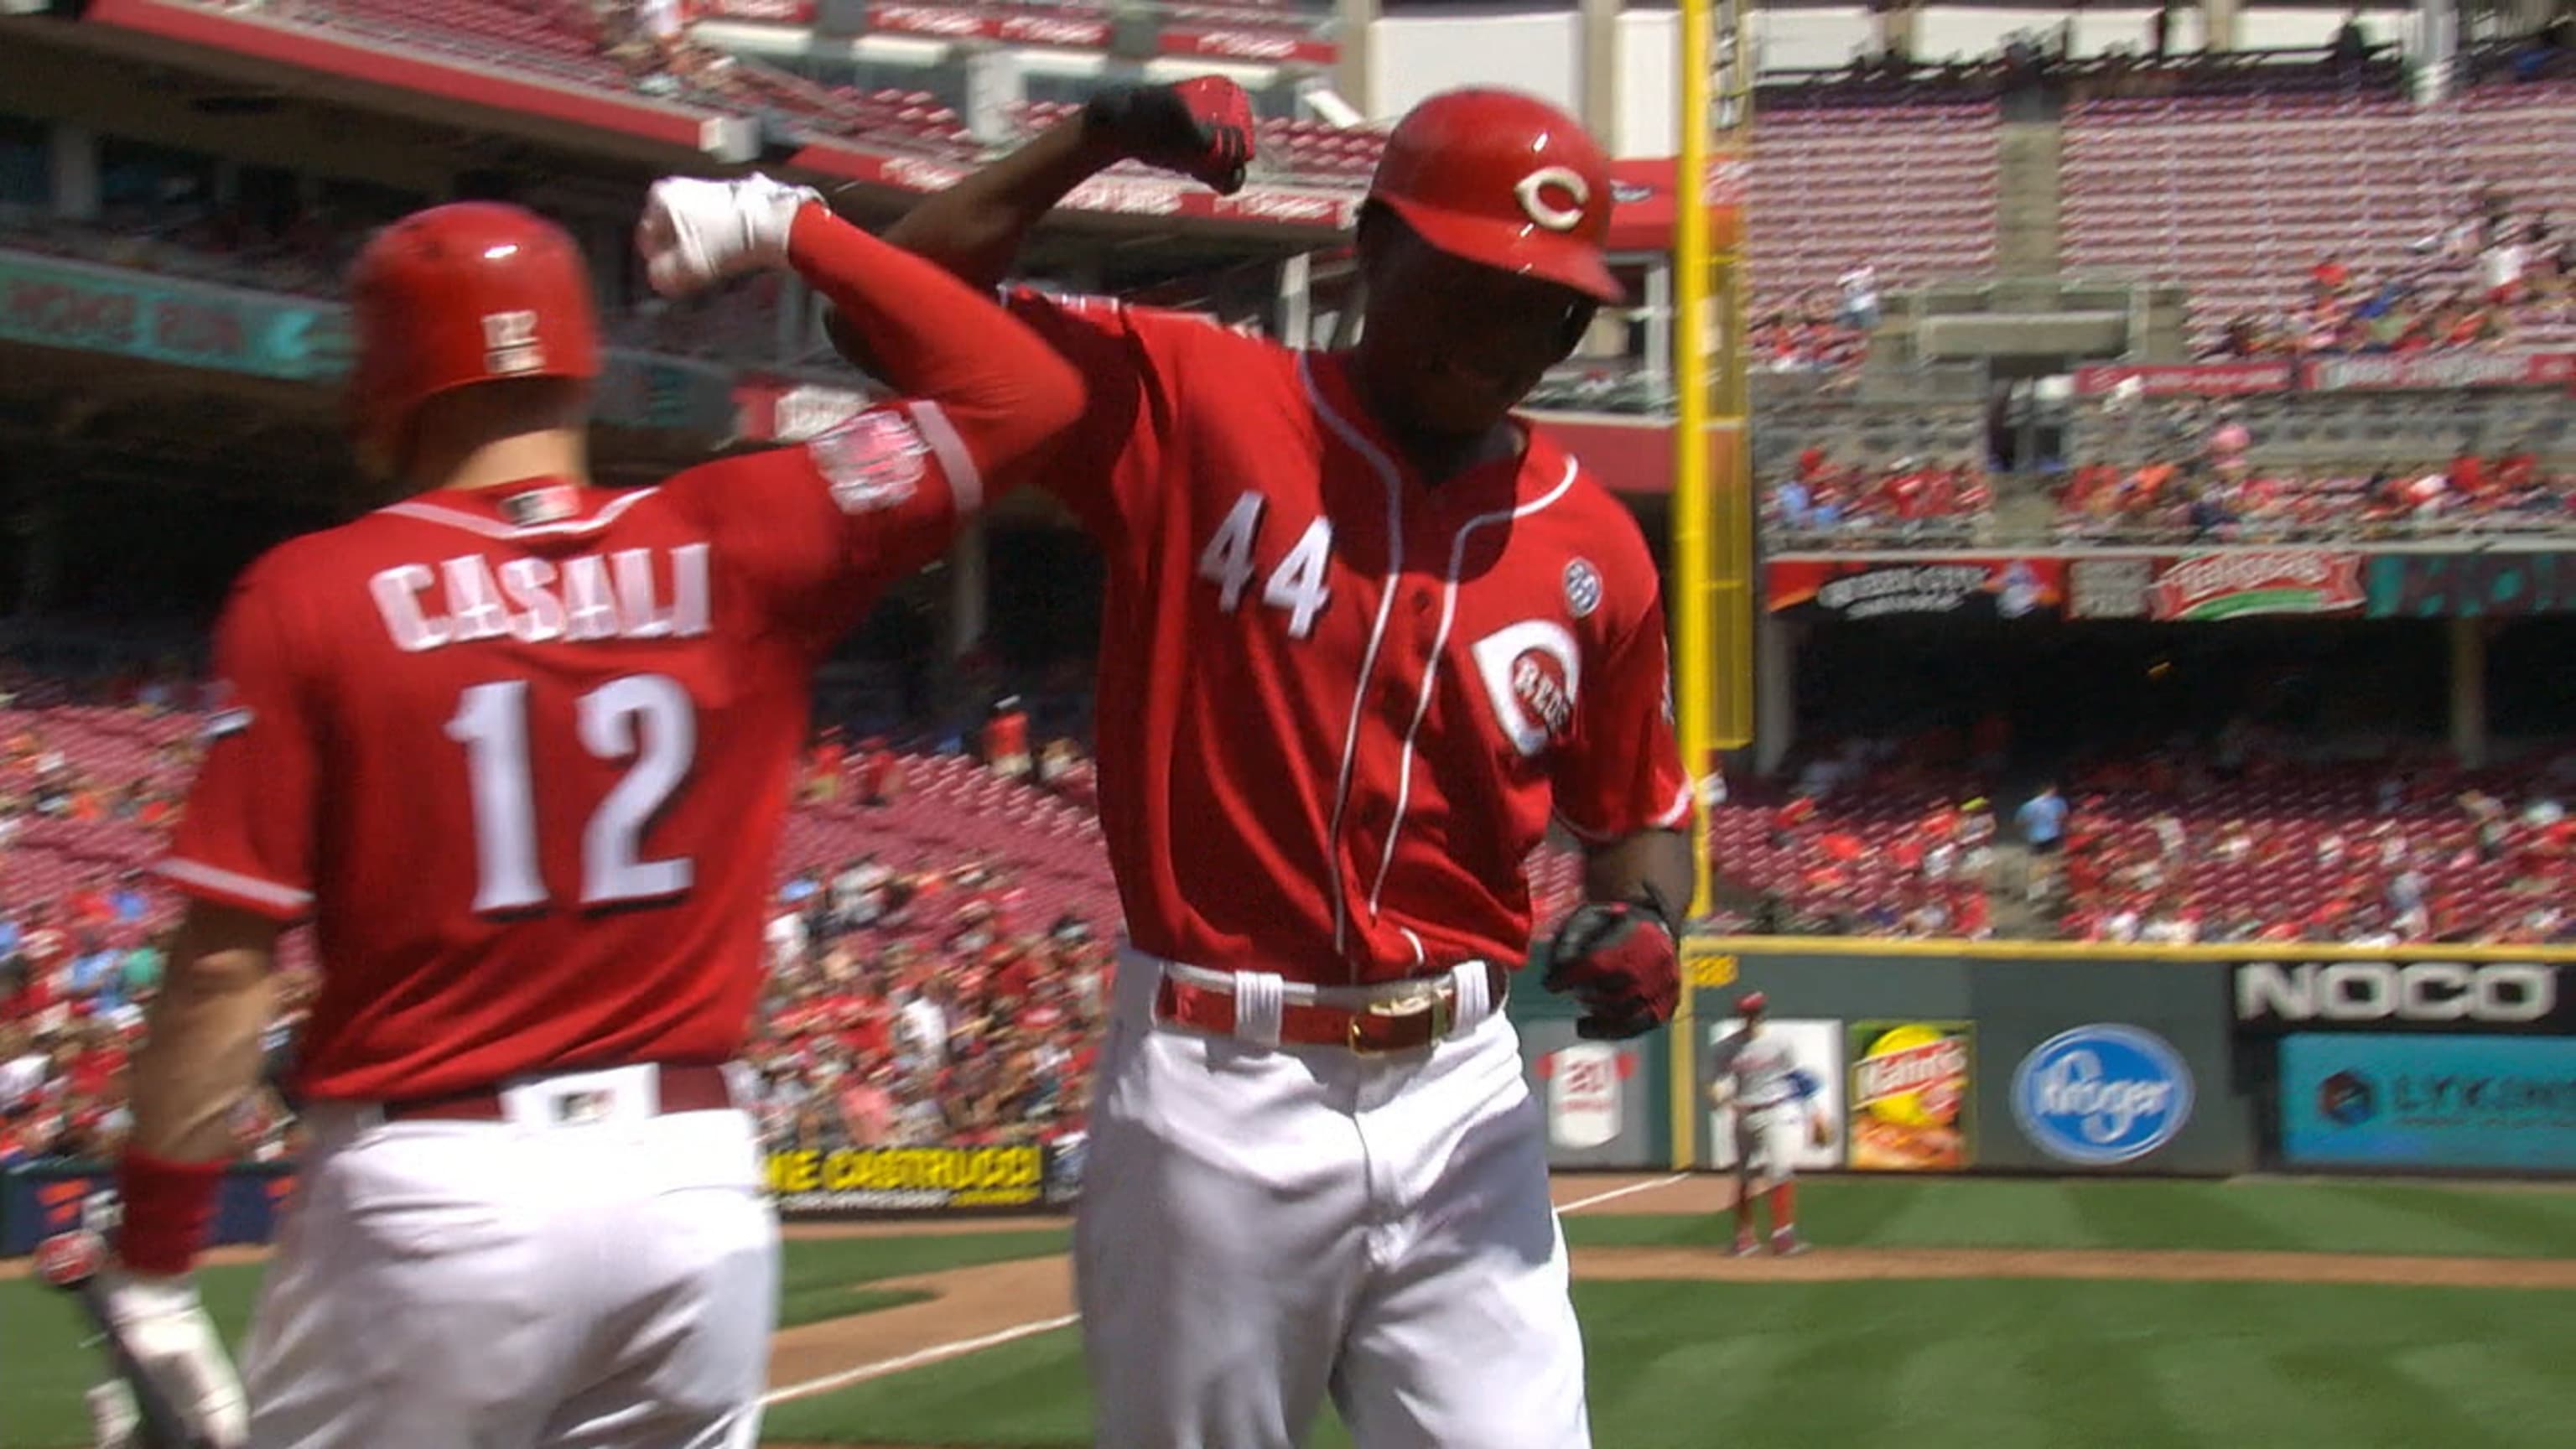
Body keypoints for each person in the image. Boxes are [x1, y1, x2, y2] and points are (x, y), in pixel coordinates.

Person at [96, 179, 1081, 1447]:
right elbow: (1031, 397)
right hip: (689, 1188)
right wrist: (794, 230)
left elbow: (226, 974)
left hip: (433, 1189)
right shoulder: (740, 530)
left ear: (382, 376)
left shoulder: (312, 594)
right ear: (576, 358)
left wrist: (157, 1259)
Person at [830, 80, 1690, 1448]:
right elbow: (876, 307)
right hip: (1218, 1078)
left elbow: (1640, 812)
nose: (1511, 331)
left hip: (1463, 1090)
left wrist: (1647, 916)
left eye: (1553, 306)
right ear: (1371, 245)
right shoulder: (1192, 396)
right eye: (1476, 281)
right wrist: (1094, 135)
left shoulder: (1598, 551)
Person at [1705, 990, 1824, 1255]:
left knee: (1780, 1170)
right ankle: (1743, 1238)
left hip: (1777, 1111)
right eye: (1746, 1014)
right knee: (1744, 1176)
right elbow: (1711, 1082)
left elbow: (1796, 1078)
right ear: (1740, 1016)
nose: (1751, 1018)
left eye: (1754, 1013)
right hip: (1745, 1113)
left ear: (1762, 1014)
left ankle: (1783, 1236)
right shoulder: (1725, 1048)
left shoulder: (1779, 1044)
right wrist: (1724, 1101)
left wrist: (1814, 1112)